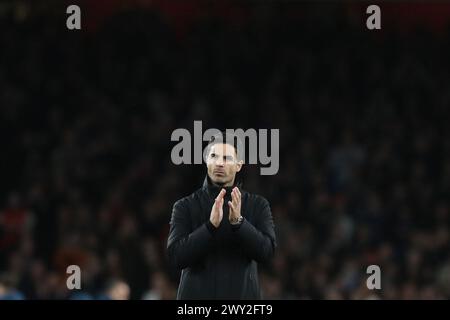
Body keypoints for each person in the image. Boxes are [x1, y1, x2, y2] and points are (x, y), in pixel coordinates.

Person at [167, 132, 276, 299]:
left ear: (239, 165)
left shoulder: (257, 205)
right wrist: (209, 227)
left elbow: (266, 253)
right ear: (206, 161)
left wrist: (239, 224)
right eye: (214, 156)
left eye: (227, 158)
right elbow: (176, 257)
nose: (219, 163)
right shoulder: (184, 206)